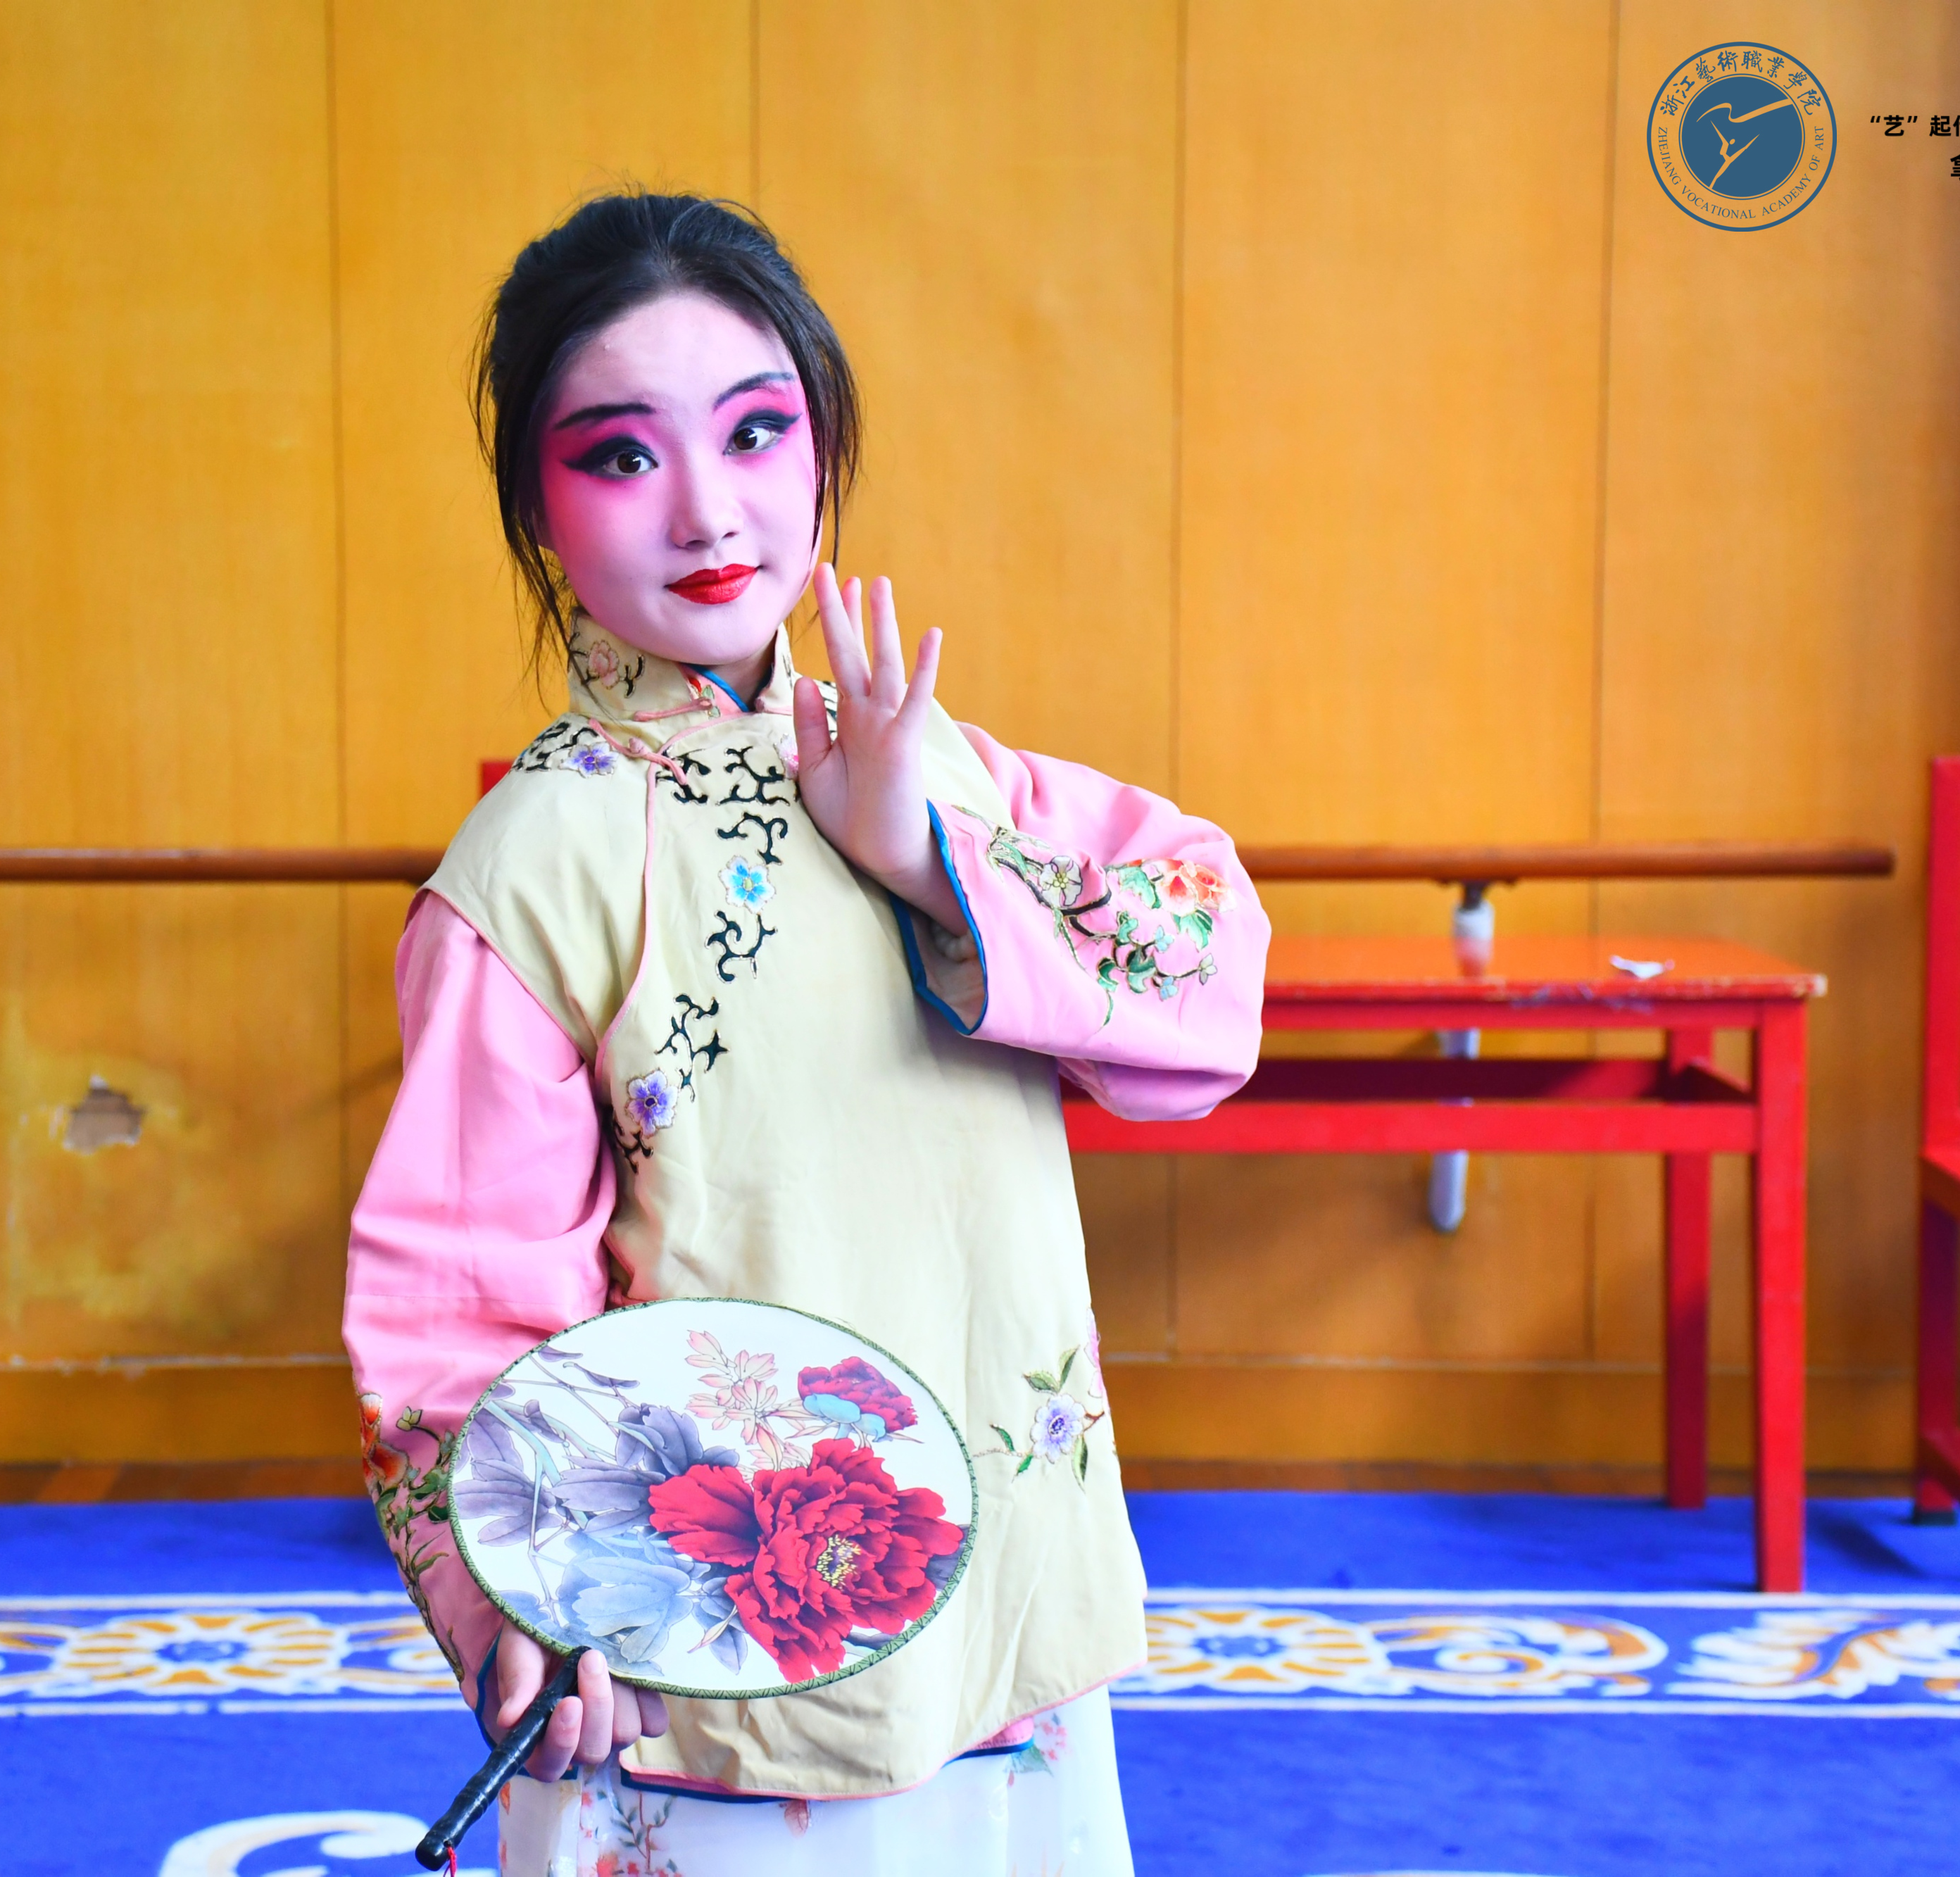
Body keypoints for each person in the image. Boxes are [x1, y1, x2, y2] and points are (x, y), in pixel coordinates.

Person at [344, 191, 1268, 1875]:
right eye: (620, 455)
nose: (707, 508)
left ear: (821, 444)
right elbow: (454, 1294)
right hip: (703, 1630)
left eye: (756, 430)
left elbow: (1206, 987)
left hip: (996, 1601)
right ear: (536, 507)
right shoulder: (533, 865)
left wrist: (923, 857)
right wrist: (513, 1589)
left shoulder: (930, 765)